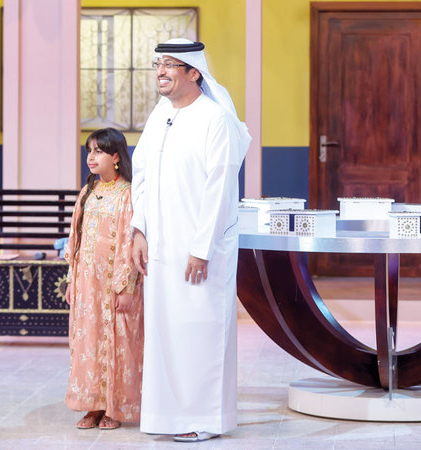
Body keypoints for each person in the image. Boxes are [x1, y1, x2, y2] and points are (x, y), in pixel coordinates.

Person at [130, 38, 251, 442]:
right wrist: (139, 230)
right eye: (158, 65)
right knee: (165, 332)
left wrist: (201, 250)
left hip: (201, 251)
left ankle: (203, 420)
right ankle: (166, 417)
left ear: (194, 72)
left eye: (169, 65)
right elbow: (141, 177)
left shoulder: (215, 119)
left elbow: (220, 188)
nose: (160, 72)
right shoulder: (159, 116)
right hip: (161, 248)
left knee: (200, 331)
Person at [64, 127, 144, 430]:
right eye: (89, 151)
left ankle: (115, 408)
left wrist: (126, 287)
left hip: (114, 285)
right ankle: (93, 405)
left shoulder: (128, 194)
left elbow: (129, 242)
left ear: (116, 156)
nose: (91, 157)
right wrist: (72, 280)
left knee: (116, 342)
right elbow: (75, 240)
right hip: (87, 286)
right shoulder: (87, 192)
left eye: (98, 151)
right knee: (88, 341)